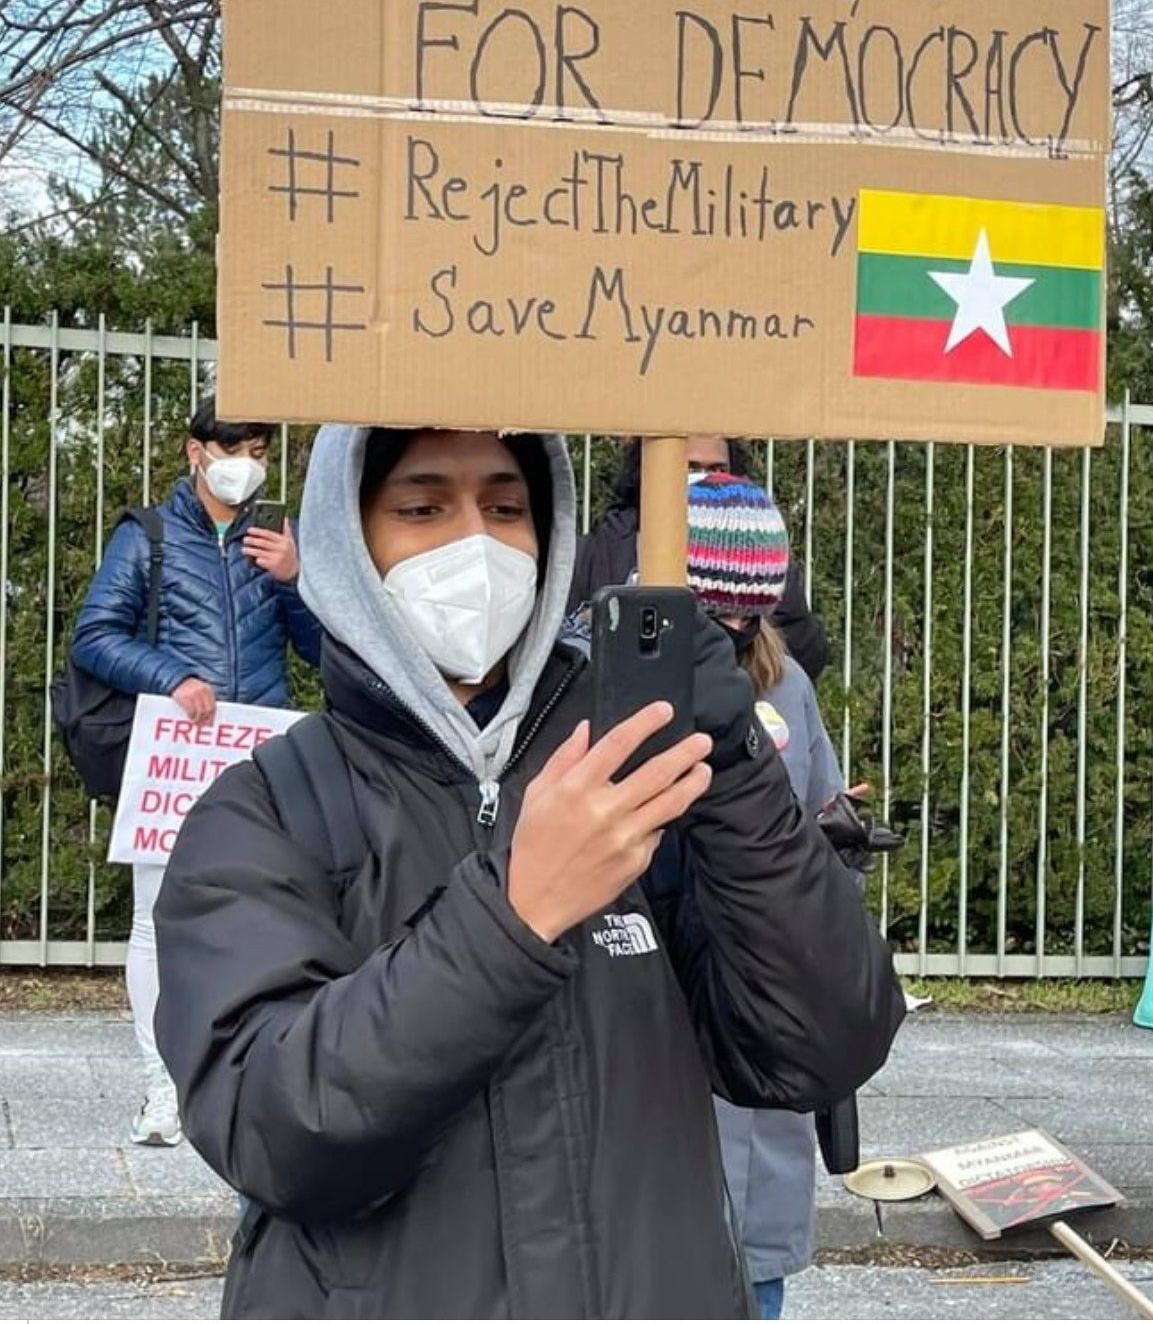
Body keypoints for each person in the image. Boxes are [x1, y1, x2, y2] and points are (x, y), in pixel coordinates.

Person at [153, 424, 904, 1319]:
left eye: (507, 508)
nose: (475, 542)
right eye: (423, 507)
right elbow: (277, 1131)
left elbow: (818, 1046)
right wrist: (513, 917)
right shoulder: (266, 808)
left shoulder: (630, 779)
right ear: (347, 540)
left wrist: (734, 766)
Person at [70, 399, 321, 1149]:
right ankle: (164, 1087)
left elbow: (322, 651)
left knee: (265, 912)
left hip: (256, 752)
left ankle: (250, 1073)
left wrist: (296, 579)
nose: (247, 465)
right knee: (155, 917)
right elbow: (95, 634)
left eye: (259, 451)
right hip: (174, 754)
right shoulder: (147, 536)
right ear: (195, 452)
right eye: (234, 448)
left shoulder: (278, 540)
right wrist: (171, 676)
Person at [680, 471, 868, 1319]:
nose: (731, 632)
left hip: (758, 991)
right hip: (657, 988)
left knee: (754, 1248)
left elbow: (819, 807)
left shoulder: (785, 681)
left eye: (746, 614)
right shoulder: (611, 674)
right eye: (711, 613)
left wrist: (837, 834)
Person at [570, 435, 831, 680]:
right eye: (690, 469)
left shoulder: (759, 559)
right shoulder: (602, 551)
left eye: (717, 469)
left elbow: (804, 648)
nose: (704, 480)